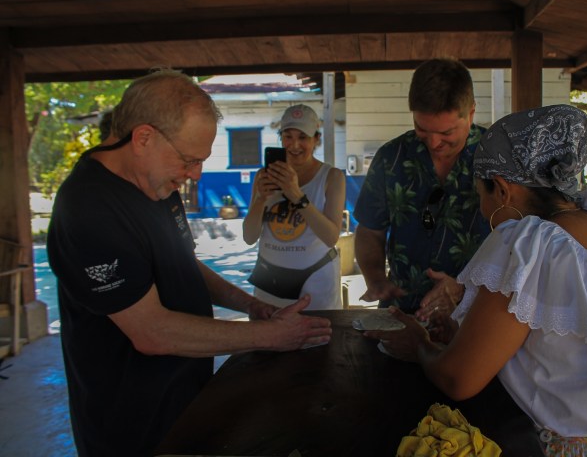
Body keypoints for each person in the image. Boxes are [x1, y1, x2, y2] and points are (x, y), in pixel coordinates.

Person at [365, 104, 587, 456]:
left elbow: (459, 380)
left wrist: (421, 346)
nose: (483, 209)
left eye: (481, 195)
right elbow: (569, 346)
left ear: (502, 190)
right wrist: (463, 334)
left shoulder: (529, 246)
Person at [46, 70, 332, 457]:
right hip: (130, 423)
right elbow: (152, 332)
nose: (194, 174)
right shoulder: (88, 207)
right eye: (188, 160)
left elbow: (185, 266)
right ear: (143, 137)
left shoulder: (156, 182)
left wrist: (251, 305)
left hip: (184, 399)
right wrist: (271, 337)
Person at [353, 58, 491, 320]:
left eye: (447, 132)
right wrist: (376, 279)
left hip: (476, 320)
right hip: (401, 313)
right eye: (422, 129)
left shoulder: (498, 160)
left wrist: (465, 287)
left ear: (471, 114)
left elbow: (518, 246)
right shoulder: (390, 158)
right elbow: (370, 230)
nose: (434, 142)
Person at [243, 104, 345, 310]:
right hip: (269, 279)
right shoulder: (264, 176)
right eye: (288, 136)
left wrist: (296, 195)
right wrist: (260, 199)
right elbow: (249, 237)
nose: (294, 145)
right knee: (268, 340)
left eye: (303, 137)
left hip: (315, 282)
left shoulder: (332, 177)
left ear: (316, 139)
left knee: (318, 341)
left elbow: (331, 237)